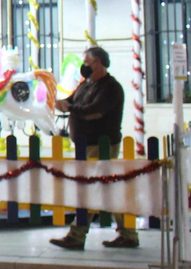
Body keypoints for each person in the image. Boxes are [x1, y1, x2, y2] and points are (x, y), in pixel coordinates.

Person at [52, 46, 134, 250]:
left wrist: (71, 108)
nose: (84, 67)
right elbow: (71, 101)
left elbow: (95, 111)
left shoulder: (111, 87)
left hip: (101, 145)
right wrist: (60, 103)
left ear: (98, 63)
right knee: (107, 190)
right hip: (86, 145)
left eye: (87, 63)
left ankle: (77, 235)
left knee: (90, 189)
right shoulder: (86, 85)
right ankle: (128, 233)